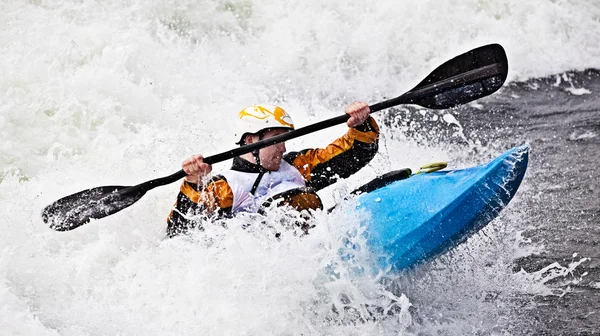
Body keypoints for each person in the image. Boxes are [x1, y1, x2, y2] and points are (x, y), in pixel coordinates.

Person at [166, 102, 379, 237]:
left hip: (319, 242)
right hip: (278, 263)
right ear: (250, 140)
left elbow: (355, 155)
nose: (284, 147)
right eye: (278, 140)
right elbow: (180, 233)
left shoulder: (298, 165)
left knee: (384, 184)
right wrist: (193, 182)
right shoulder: (224, 187)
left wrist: (361, 123)